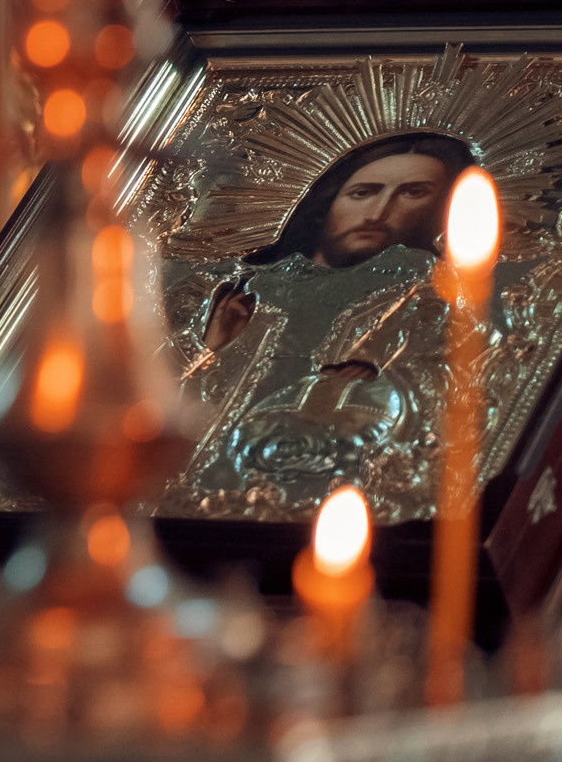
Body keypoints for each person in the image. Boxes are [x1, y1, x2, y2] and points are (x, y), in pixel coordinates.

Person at [174, 134, 483, 513]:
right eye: (364, 192)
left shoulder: (427, 297)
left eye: (412, 193)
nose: (379, 210)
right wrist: (210, 351)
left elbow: (455, 395)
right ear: (328, 202)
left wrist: (384, 374)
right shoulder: (247, 288)